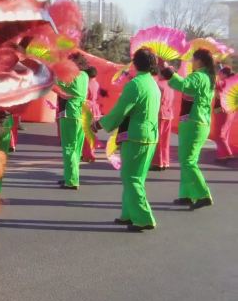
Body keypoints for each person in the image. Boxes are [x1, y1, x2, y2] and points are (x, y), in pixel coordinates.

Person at [95, 48, 160, 231]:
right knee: (134, 178)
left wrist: (99, 124)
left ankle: (144, 217)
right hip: (149, 135)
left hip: (136, 136)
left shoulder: (135, 84)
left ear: (135, 63)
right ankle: (128, 214)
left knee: (130, 178)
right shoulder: (152, 83)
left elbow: (119, 111)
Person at [160, 49, 215, 210]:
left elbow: (183, 85)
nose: (191, 61)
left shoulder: (199, 76)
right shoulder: (207, 77)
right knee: (187, 160)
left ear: (200, 61)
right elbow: (185, 86)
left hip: (194, 123)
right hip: (197, 123)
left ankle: (203, 194)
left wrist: (167, 70)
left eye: (193, 58)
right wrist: (168, 70)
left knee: (188, 161)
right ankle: (187, 195)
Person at [55, 53, 89, 189]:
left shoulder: (70, 76)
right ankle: (71, 176)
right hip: (82, 112)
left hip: (70, 112)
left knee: (68, 147)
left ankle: (71, 180)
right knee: (77, 148)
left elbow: (56, 82)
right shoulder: (85, 76)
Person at [150, 69, 175, 171]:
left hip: (159, 114)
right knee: (165, 140)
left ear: (163, 75)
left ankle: (158, 162)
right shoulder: (171, 85)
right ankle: (165, 161)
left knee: (158, 139)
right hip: (168, 114)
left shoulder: (158, 84)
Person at [213, 66, 235, 162]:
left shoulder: (223, 83)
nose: (219, 75)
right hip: (230, 111)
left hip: (222, 111)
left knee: (219, 134)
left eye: (220, 73)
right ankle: (224, 154)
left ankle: (226, 154)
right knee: (224, 133)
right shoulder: (232, 84)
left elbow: (214, 84)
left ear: (225, 74)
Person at [82, 66, 101, 162]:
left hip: (87, 108)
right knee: (91, 132)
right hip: (95, 108)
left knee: (86, 133)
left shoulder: (86, 84)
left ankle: (88, 155)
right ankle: (90, 153)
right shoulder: (96, 83)